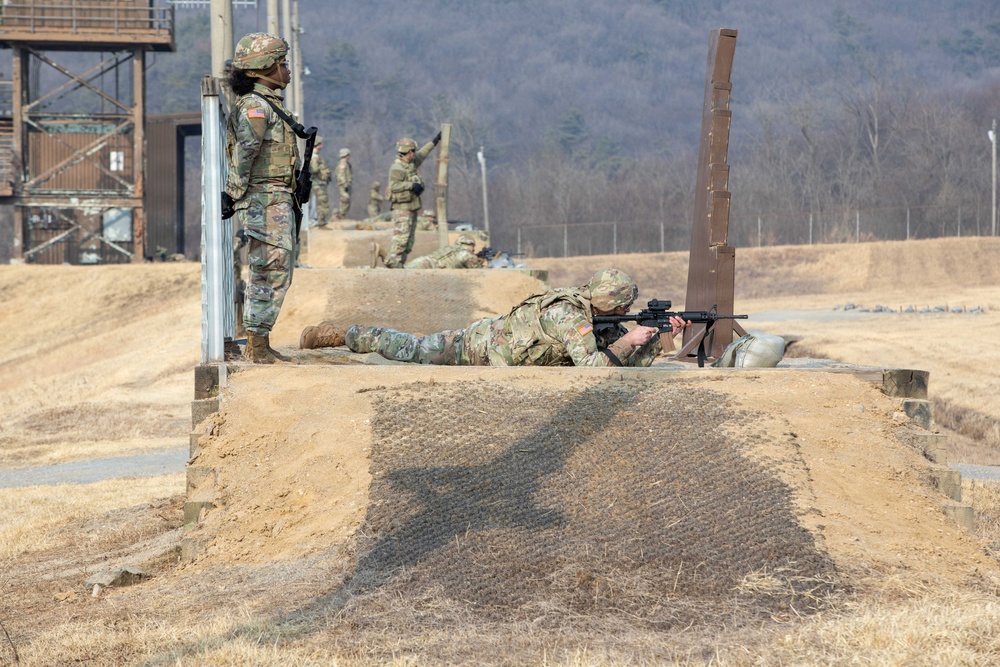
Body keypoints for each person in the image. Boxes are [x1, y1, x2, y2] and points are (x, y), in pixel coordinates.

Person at [298, 269, 691, 367]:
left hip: (502, 350)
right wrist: (631, 339)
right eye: (623, 309)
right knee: (412, 348)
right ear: (610, 304)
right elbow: (593, 368)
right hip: (479, 347)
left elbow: (617, 362)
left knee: (414, 347)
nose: (625, 316)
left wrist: (656, 338)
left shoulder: (596, 319)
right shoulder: (568, 315)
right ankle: (343, 334)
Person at [222, 32, 299, 364]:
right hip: (263, 199)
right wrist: (233, 192)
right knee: (270, 268)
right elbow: (247, 153)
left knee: (274, 267)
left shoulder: (267, 104)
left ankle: (259, 341)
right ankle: (257, 344)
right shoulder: (256, 106)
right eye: (281, 64)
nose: (287, 70)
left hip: (273, 197)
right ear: (263, 69)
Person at [384, 133, 441, 268]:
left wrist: (434, 142)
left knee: (409, 241)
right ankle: (391, 263)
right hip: (402, 209)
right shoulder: (397, 168)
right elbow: (394, 186)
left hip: (412, 206)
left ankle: (399, 264)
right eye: (413, 151)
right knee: (400, 239)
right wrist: (411, 185)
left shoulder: (412, 163)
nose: (415, 153)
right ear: (408, 152)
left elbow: (423, 153)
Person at [404, 234, 484, 269]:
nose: (473, 250)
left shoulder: (452, 248)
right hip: (429, 266)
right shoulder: (465, 253)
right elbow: (479, 271)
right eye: (473, 247)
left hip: (422, 260)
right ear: (469, 244)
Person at [310, 136, 333, 227]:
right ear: (317, 145)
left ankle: (320, 220)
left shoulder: (316, 157)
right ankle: (320, 221)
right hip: (318, 183)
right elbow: (314, 170)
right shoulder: (314, 157)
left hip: (319, 183)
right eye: (320, 144)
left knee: (320, 202)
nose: (322, 146)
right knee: (322, 202)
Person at [335, 147, 352, 220]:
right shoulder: (343, 163)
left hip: (346, 185)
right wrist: (345, 184)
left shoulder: (345, 163)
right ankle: (341, 215)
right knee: (345, 199)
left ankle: (342, 215)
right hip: (344, 185)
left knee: (346, 200)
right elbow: (341, 175)